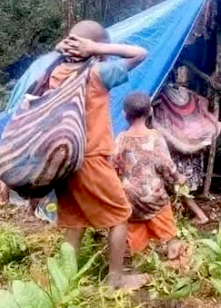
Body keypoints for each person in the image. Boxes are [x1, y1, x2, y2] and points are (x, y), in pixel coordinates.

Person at [52, 20, 148, 289]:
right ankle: (115, 279)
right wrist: (96, 47)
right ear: (90, 47)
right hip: (91, 157)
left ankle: (65, 281)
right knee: (120, 215)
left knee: (75, 220)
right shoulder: (97, 74)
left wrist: (65, 48)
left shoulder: (55, 73)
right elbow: (140, 53)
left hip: (64, 159)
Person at [112, 92, 185, 258]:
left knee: (136, 235)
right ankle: (174, 254)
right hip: (154, 197)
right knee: (168, 233)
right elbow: (166, 164)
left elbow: (113, 166)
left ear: (124, 114)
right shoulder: (155, 137)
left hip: (130, 199)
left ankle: (140, 260)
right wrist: (178, 178)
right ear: (150, 111)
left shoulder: (121, 139)